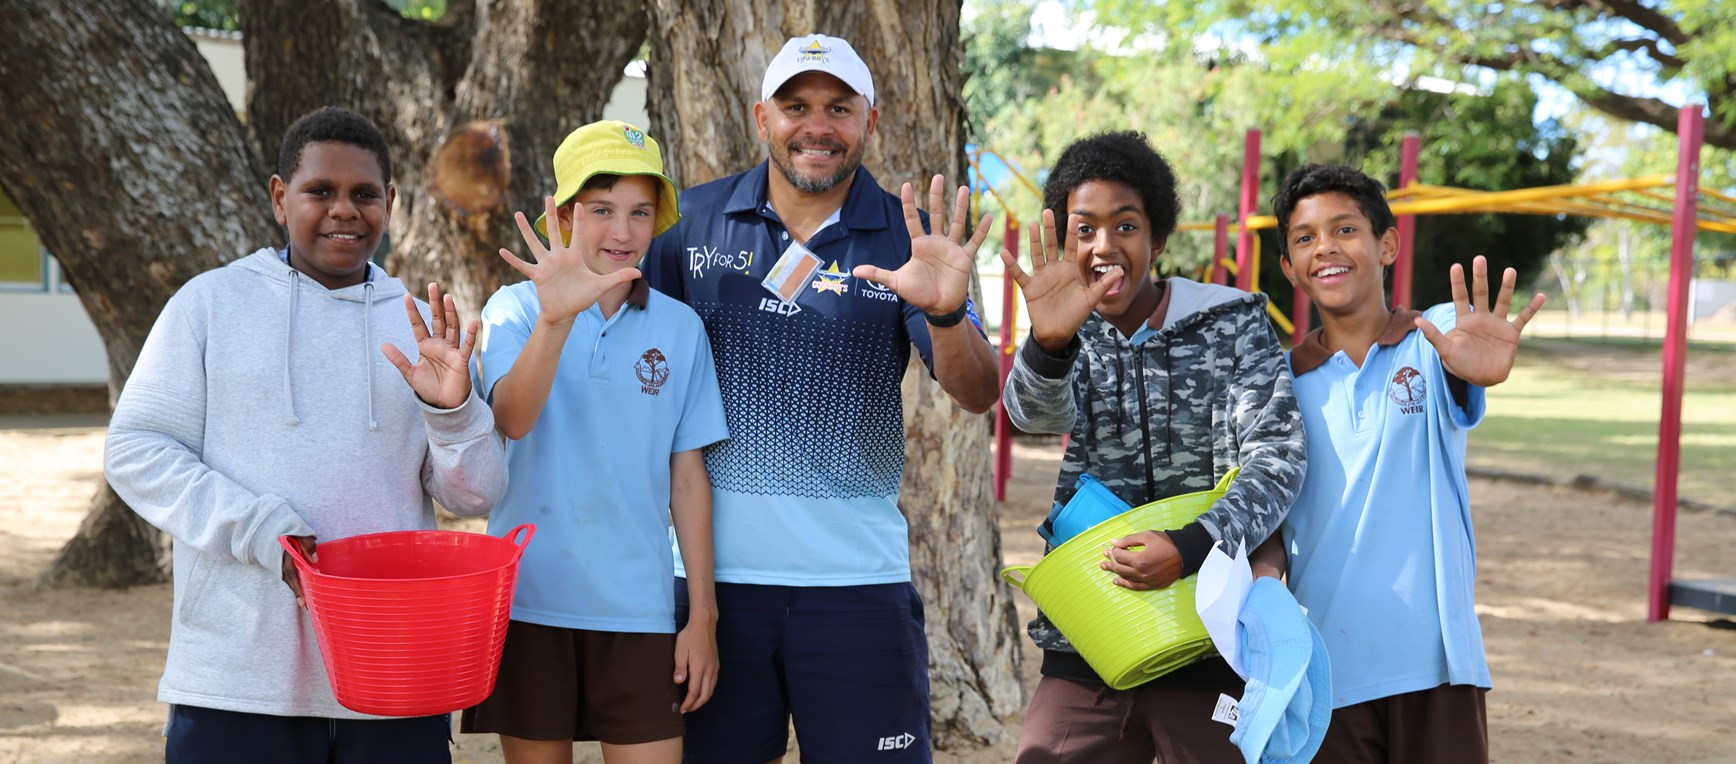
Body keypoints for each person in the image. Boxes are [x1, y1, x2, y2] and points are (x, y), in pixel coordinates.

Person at [104, 106, 508, 763]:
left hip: (395, 672)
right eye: (321, 190)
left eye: (364, 194)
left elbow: (476, 495)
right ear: (279, 197)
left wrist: (454, 412)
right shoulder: (209, 305)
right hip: (238, 677)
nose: (344, 210)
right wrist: (262, 530)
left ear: (390, 203)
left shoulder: (422, 327)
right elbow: (136, 450)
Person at [640, 33, 1000, 763]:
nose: (817, 125)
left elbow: (976, 391)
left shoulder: (908, 238)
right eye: (795, 106)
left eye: (839, 107)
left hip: (857, 586)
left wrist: (944, 314)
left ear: (870, 120)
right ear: (761, 117)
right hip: (710, 588)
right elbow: (637, 374)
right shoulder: (688, 224)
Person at [999, 131, 1307, 762]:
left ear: (1157, 239)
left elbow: (1277, 456)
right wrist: (1048, 344)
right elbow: (1033, 415)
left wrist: (1192, 546)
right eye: (1084, 229)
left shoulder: (1232, 322)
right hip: (1092, 625)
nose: (1104, 245)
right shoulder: (1069, 328)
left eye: (1126, 226)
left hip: (1213, 628)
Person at [460, 121, 729, 764]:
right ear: (563, 214)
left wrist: (702, 616)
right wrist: (556, 318)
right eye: (601, 209)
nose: (622, 231)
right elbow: (512, 419)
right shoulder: (513, 310)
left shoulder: (681, 327)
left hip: (639, 608)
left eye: (640, 212)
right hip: (528, 602)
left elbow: (687, 477)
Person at [1269, 163, 1544, 763]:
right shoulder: (1278, 383)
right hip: (1327, 670)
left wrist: (1473, 359)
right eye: (1305, 238)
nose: (1326, 248)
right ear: (1289, 266)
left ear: (1387, 245)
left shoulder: (1432, 338)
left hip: (1437, 664)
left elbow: (1457, 341)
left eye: (1345, 229)